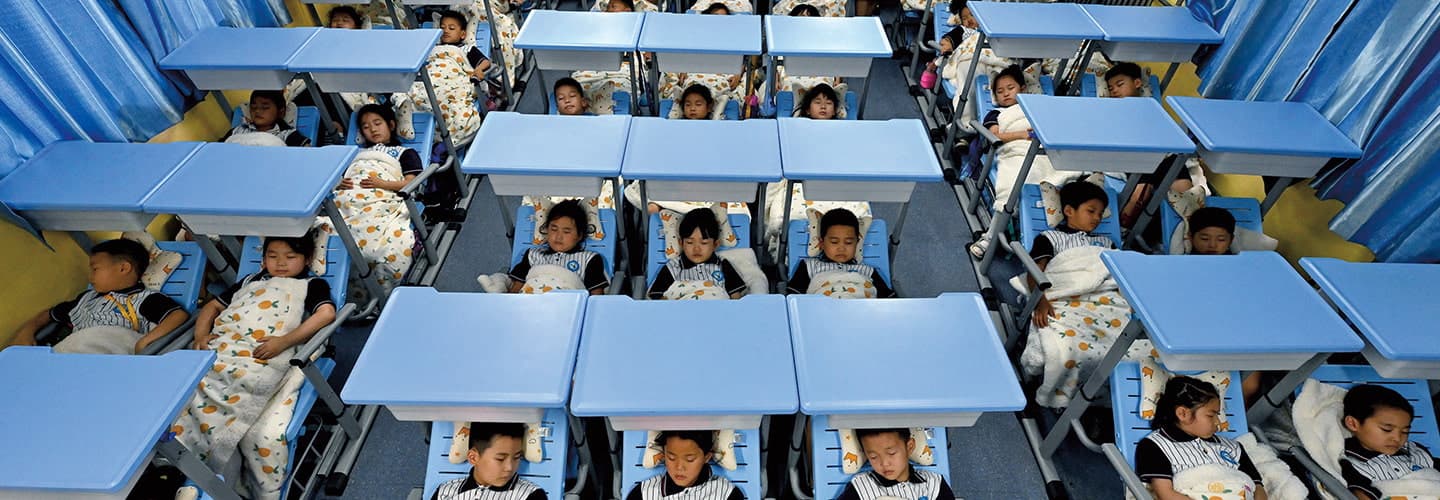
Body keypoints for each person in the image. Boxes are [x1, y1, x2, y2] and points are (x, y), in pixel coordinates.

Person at [175, 233, 337, 499]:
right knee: (192, 394)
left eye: (290, 257)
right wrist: (201, 335)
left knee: (256, 421)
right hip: (227, 346)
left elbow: (326, 314)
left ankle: (207, 476)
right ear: (263, 260)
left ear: (307, 260)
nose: (280, 264)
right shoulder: (249, 281)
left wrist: (283, 341)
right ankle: (200, 474)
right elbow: (212, 307)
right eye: (272, 257)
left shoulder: (312, 284)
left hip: (266, 350)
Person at [9, 238, 187, 353]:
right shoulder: (85, 299)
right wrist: (27, 330)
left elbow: (177, 315)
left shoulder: (145, 299)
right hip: (77, 355)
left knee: (82, 341)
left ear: (123, 268)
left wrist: (147, 341)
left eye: (95, 269)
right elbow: (48, 314)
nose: (90, 276)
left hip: (115, 351)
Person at [1135, 376, 1268, 500]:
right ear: (1183, 414)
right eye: (1211, 415)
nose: (1218, 422)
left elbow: (1257, 487)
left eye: (1218, 415)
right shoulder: (1155, 446)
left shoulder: (1233, 447)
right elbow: (1166, 494)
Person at [1029, 180, 1115, 327]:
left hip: (1105, 299)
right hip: (1066, 297)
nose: (1097, 218)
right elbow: (1034, 271)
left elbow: (1120, 274)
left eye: (1100, 214)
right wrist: (1040, 301)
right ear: (1069, 211)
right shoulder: (1050, 238)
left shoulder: (1106, 243)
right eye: (1091, 211)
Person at [1340, 384, 1439, 500]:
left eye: (1405, 431)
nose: (1397, 438)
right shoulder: (1351, 464)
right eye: (1387, 429)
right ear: (1353, 423)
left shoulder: (1415, 451)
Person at [786, 208, 895, 298]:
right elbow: (793, 297)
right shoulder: (809, 267)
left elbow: (889, 301)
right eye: (834, 242)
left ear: (857, 243)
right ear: (822, 243)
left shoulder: (868, 271)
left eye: (848, 242)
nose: (841, 248)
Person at [508, 199, 609, 295]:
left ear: (580, 235)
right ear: (546, 230)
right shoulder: (533, 256)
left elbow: (596, 296)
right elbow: (516, 290)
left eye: (566, 232)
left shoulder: (589, 260)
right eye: (554, 229)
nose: (558, 237)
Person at [648, 208, 746, 300]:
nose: (696, 248)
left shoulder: (722, 264)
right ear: (681, 243)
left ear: (715, 244)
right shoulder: (673, 267)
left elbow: (736, 296)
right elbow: (656, 295)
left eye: (704, 243)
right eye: (690, 242)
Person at [433, 423, 548, 500]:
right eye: (500, 459)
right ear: (473, 458)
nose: (509, 467)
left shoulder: (531, 495)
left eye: (517, 457)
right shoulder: (445, 491)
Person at [837, 428, 956, 500]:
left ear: (909, 447)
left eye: (891, 453)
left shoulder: (933, 484)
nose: (884, 463)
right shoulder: (861, 486)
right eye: (873, 457)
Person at [626, 431, 743, 500]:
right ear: (663, 454)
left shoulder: (726, 495)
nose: (679, 467)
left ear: (706, 457)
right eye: (671, 458)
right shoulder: (643, 494)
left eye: (690, 459)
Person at [219, 90, 310, 147]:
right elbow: (217, 149)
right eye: (254, 107)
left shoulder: (286, 134)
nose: (257, 111)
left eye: (265, 108)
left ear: (281, 112)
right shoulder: (238, 130)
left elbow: (306, 152)